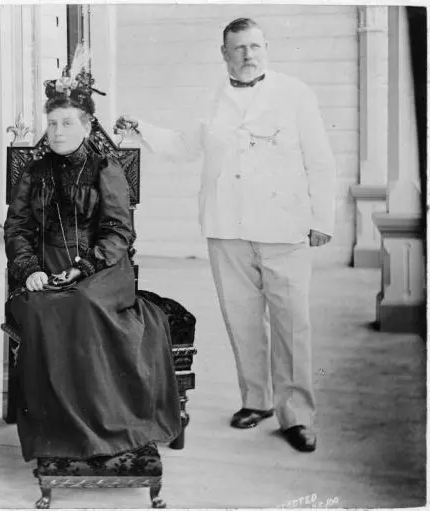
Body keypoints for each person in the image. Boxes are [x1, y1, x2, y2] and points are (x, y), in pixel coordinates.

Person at [115, 17, 336, 453]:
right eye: (238, 48)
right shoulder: (214, 99)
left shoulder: (295, 95)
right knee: (242, 319)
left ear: (266, 48)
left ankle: (298, 414)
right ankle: (256, 400)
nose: (248, 55)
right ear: (224, 54)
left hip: (283, 227)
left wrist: (321, 219)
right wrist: (141, 128)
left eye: (255, 46)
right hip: (226, 228)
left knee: (292, 323)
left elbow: (320, 159)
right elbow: (184, 146)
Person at [3, 63, 182, 463]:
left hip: (102, 269)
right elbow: (16, 229)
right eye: (51, 124)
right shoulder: (34, 172)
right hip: (44, 266)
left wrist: (85, 266)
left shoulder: (106, 168)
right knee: (46, 308)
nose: (58, 132)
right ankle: (60, 430)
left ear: (86, 126)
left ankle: (104, 427)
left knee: (80, 303)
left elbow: (120, 232)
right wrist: (30, 268)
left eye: (67, 123)